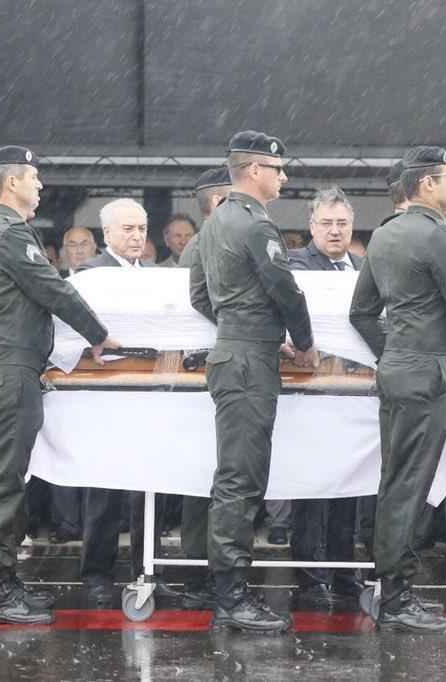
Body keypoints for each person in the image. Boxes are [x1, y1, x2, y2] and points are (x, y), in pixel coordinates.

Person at [0, 146, 116, 625]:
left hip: (8, 369)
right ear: (10, 184)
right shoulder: (7, 232)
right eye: (33, 176)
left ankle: (4, 583)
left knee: (4, 482)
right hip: (7, 371)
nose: (41, 184)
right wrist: (99, 334)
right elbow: (52, 287)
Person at [192, 130, 317, 633]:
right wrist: (302, 341)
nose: (283, 178)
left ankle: (228, 590)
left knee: (234, 478)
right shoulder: (253, 223)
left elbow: (200, 294)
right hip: (249, 363)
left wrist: (242, 324)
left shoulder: (216, 221)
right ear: (255, 171)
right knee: (241, 480)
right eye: (279, 169)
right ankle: (232, 597)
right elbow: (285, 289)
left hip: (234, 352)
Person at [350, 145, 446, 632]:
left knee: (395, 480)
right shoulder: (436, 235)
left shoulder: (382, 236)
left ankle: (393, 588)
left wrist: (392, 351)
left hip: (398, 367)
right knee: (411, 484)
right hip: (425, 370)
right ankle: (397, 597)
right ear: (427, 184)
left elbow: (361, 311)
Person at [286, 187, 364, 608]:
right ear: (311, 226)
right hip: (311, 389)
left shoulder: (363, 267)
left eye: (342, 224)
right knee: (312, 487)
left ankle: (343, 570)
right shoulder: (298, 265)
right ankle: (310, 574)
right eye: (327, 223)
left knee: (348, 486)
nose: (335, 231)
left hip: (352, 391)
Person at [76, 198, 150, 606]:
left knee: (148, 488)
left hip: (148, 392)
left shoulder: (156, 277)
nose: (137, 236)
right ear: (107, 235)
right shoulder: (90, 275)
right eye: (128, 229)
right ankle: (97, 572)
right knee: (104, 488)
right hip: (106, 391)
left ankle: (145, 568)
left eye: (141, 228)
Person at [178, 166, 231, 609]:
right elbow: (202, 302)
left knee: (212, 475)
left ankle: (208, 565)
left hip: (212, 366)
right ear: (218, 202)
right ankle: (203, 568)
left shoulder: (208, 242)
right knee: (208, 475)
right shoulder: (209, 244)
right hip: (211, 366)